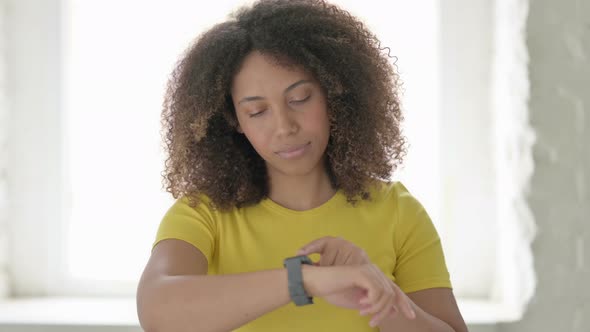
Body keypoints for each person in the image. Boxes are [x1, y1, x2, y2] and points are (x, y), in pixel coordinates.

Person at [136, 0, 468, 331]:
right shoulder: (202, 214)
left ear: (334, 94)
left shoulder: (398, 212)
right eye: (257, 111)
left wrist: (378, 295)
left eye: (300, 99)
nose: (284, 127)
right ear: (234, 120)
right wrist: (305, 281)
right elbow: (156, 311)